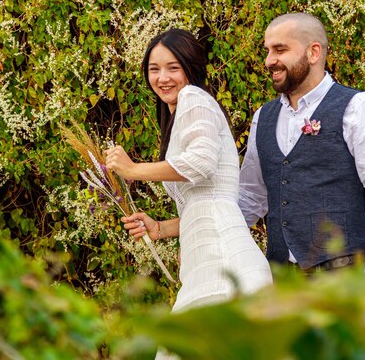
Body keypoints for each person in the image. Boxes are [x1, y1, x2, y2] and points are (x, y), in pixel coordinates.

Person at [105, 29, 272, 316]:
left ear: (190, 68)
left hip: (222, 259)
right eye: (154, 69)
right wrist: (160, 228)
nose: (162, 78)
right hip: (207, 258)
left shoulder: (193, 97)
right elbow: (204, 200)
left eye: (173, 67)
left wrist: (134, 169)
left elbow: (201, 163)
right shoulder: (183, 111)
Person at [239, 12, 365, 277]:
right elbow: (250, 197)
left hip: (346, 278)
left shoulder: (358, 109)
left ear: (313, 52)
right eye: (268, 51)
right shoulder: (263, 117)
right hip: (284, 282)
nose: (269, 61)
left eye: (280, 49)